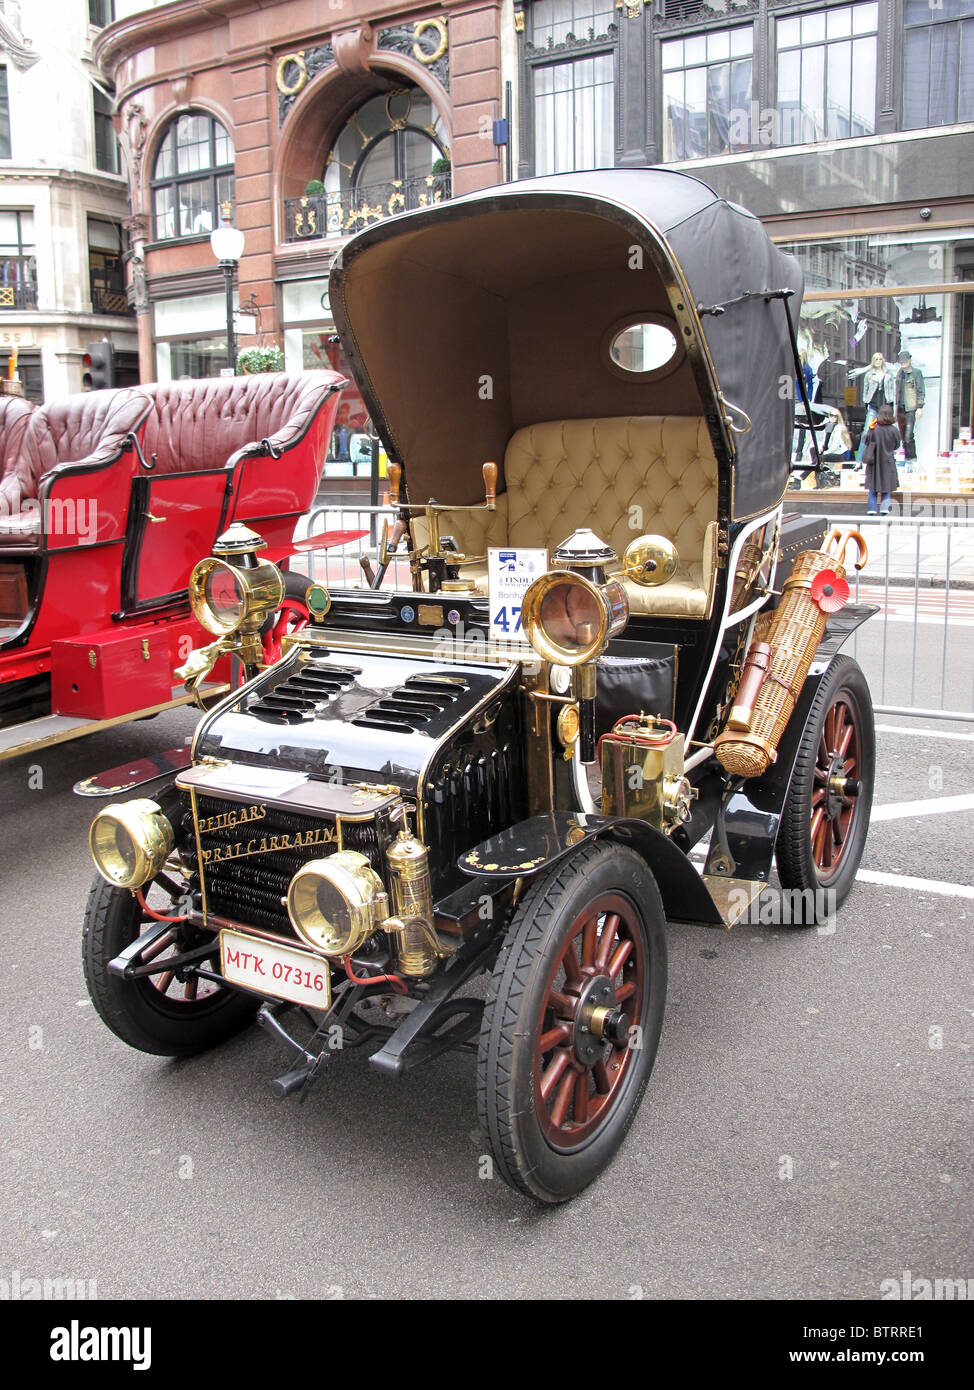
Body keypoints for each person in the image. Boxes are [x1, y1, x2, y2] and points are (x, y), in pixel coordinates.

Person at [861, 404, 899, 514]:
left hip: (874, 462)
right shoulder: (894, 430)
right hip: (888, 462)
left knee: (872, 489)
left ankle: (871, 510)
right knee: (886, 488)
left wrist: (871, 427)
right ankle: (884, 509)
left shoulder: (874, 429)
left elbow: (866, 441)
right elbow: (896, 445)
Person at [856, 352, 895, 461]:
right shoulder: (869, 374)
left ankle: (888, 459)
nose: (878, 361)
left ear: (883, 360)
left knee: (887, 432)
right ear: (873, 361)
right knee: (867, 431)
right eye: (876, 359)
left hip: (885, 406)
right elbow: (865, 391)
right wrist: (866, 402)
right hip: (873, 405)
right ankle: (860, 460)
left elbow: (891, 390)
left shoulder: (888, 374)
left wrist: (891, 404)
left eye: (880, 359)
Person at [895, 349, 925, 461]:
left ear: (910, 360)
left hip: (911, 408)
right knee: (903, 436)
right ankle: (907, 458)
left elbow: (921, 390)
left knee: (908, 436)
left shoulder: (916, 373)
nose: (903, 364)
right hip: (900, 408)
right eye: (902, 362)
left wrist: (920, 407)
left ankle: (912, 458)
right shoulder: (899, 373)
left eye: (905, 361)